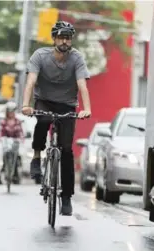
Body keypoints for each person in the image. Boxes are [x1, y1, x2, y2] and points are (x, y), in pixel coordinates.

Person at [21, 21, 92, 216]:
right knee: (42, 121)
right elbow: (30, 82)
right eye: (61, 37)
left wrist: (87, 109)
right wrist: (26, 105)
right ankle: (37, 157)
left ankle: (67, 196)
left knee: (67, 150)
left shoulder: (77, 58)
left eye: (68, 37)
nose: (64, 41)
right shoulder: (40, 56)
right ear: (54, 39)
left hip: (67, 104)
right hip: (44, 100)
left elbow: (82, 85)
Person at [0, 101, 24, 182]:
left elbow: (20, 132)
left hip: (15, 141)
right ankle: (4, 167)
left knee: (16, 155)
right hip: (6, 141)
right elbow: (1, 132)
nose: (11, 113)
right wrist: (1, 138)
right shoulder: (3, 121)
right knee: (5, 153)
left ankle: (15, 173)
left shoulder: (18, 121)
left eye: (13, 111)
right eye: (9, 111)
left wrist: (21, 138)